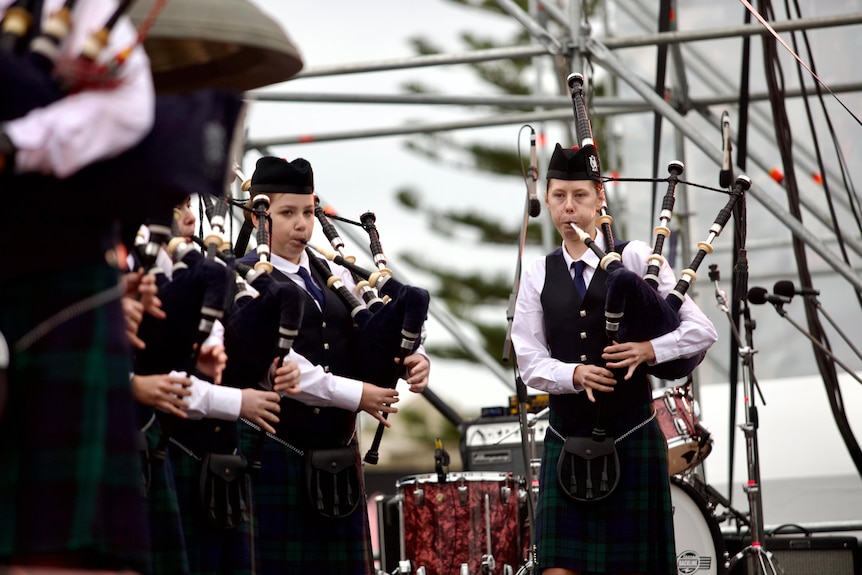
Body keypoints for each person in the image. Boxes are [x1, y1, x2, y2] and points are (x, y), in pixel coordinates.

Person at [511, 143, 718, 575]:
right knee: (557, 568)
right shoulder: (536, 274)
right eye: (559, 196)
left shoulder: (636, 257)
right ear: (547, 199)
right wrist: (574, 374)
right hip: (565, 441)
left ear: (599, 197)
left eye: (580, 196)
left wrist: (649, 350)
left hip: (632, 437)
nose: (569, 207)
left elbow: (701, 331)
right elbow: (529, 361)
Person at [0, 0, 155, 571]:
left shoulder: (75, 10)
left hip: (53, 282)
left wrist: (16, 144)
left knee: (58, 546)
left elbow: (128, 108)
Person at [235, 155, 430, 574]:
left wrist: (415, 354)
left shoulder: (335, 275)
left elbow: (380, 329)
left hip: (340, 458)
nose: (301, 224)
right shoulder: (245, 277)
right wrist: (360, 394)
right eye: (287, 213)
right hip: (275, 454)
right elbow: (286, 364)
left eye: (308, 211)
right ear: (258, 217)